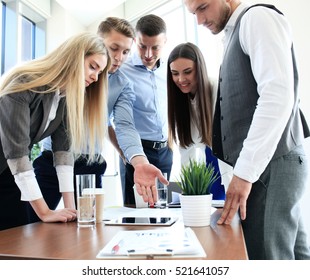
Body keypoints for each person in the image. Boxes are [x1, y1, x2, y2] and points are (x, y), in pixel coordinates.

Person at [184, 0, 310, 259]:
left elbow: (277, 95)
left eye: (203, 7)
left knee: (267, 259)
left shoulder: (257, 19)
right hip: (273, 167)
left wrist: (243, 174)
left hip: (272, 166)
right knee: (295, 259)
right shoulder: (236, 31)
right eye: (193, 12)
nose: (199, 19)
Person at [33, 17, 167, 210]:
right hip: (52, 161)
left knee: (88, 229)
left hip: (90, 165)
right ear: (97, 42)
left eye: (126, 51)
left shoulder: (123, 85)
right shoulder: (71, 71)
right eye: (114, 48)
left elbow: (125, 126)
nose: (119, 57)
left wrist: (140, 161)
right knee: (32, 225)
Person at [0, 32, 111, 230]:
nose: (95, 77)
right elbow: (17, 154)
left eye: (99, 72)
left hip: (10, 173)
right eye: (93, 67)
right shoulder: (22, 82)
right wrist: (45, 212)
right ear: (74, 57)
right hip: (11, 165)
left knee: (16, 234)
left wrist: (72, 209)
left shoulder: (65, 96)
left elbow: (63, 154)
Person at [167, 42, 232, 199]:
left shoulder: (218, 88)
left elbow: (227, 145)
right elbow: (186, 151)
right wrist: (188, 192)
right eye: (175, 73)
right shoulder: (180, 101)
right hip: (207, 162)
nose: (181, 79)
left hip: (226, 161)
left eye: (187, 72)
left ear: (199, 69)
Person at [120, 14, 173, 206]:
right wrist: (125, 154)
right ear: (135, 40)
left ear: (164, 42)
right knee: (136, 213)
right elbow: (111, 118)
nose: (148, 54)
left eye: (155, 47)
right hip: (137, 152)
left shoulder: (169, 69)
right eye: (142, 46)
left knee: (163, 210)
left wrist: (171, 143)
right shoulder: (122, 70)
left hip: (165, 151)